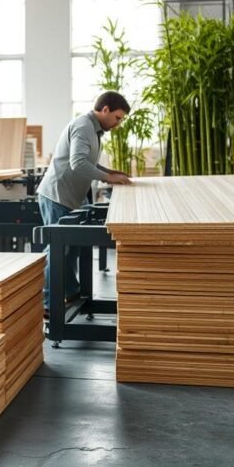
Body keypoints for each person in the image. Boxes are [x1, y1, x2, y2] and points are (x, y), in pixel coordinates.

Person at [37, 90, 132, 310]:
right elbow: (78, 163)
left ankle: (70, 292)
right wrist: (108, 177)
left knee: (72, 247)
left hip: (70, 196)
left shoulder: (95, 129)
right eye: (117, 118)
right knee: (58, 249)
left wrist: (110, 172)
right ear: (105, 109)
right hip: (57, 195)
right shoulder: (83, 127)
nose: (117, 124)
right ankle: (48, 305)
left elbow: (88, 162)